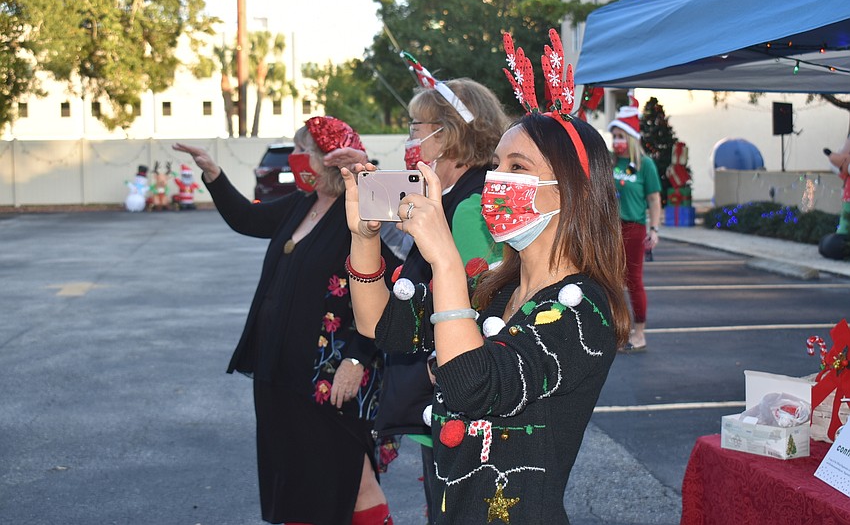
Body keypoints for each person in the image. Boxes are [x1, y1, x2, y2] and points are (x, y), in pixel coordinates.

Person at [341, 31, 630, 523]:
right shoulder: (492, 289)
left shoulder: (585, 310)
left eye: (517, 167)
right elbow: (379, 327)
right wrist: (365, 238)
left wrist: (446, 262)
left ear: (570, 192)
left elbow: (474, 387)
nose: (497, 179)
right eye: (496, 164)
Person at [172, 115, 399, 525]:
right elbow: (247, 218)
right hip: (280, 368)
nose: (293, 159)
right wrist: (214, 173)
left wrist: (357, 358)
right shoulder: (302, 203)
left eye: (301, 151)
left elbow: (397, 281)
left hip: (332, 374)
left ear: (327, 159)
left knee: (350, 477)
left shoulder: (365, 208)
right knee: (295, 478)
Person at [374, 74, 509, 523]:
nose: (411, 137)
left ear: (446, 133)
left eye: (417, 126)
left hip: (459, 401)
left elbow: (485, 301)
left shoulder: (472, 205)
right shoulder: (446, 194)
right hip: (447, 401)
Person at [608, 93, 662, 353]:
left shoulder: (644, 164)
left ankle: (638, 333)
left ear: (631, 137)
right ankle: (617, 331)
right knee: (610, 281)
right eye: (614, 136)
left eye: (621, 136)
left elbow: (654, 199)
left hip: (633, 228)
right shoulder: (609, 162)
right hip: (608, 230)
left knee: (633, 281)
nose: (617, 142)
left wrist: (654, 228)